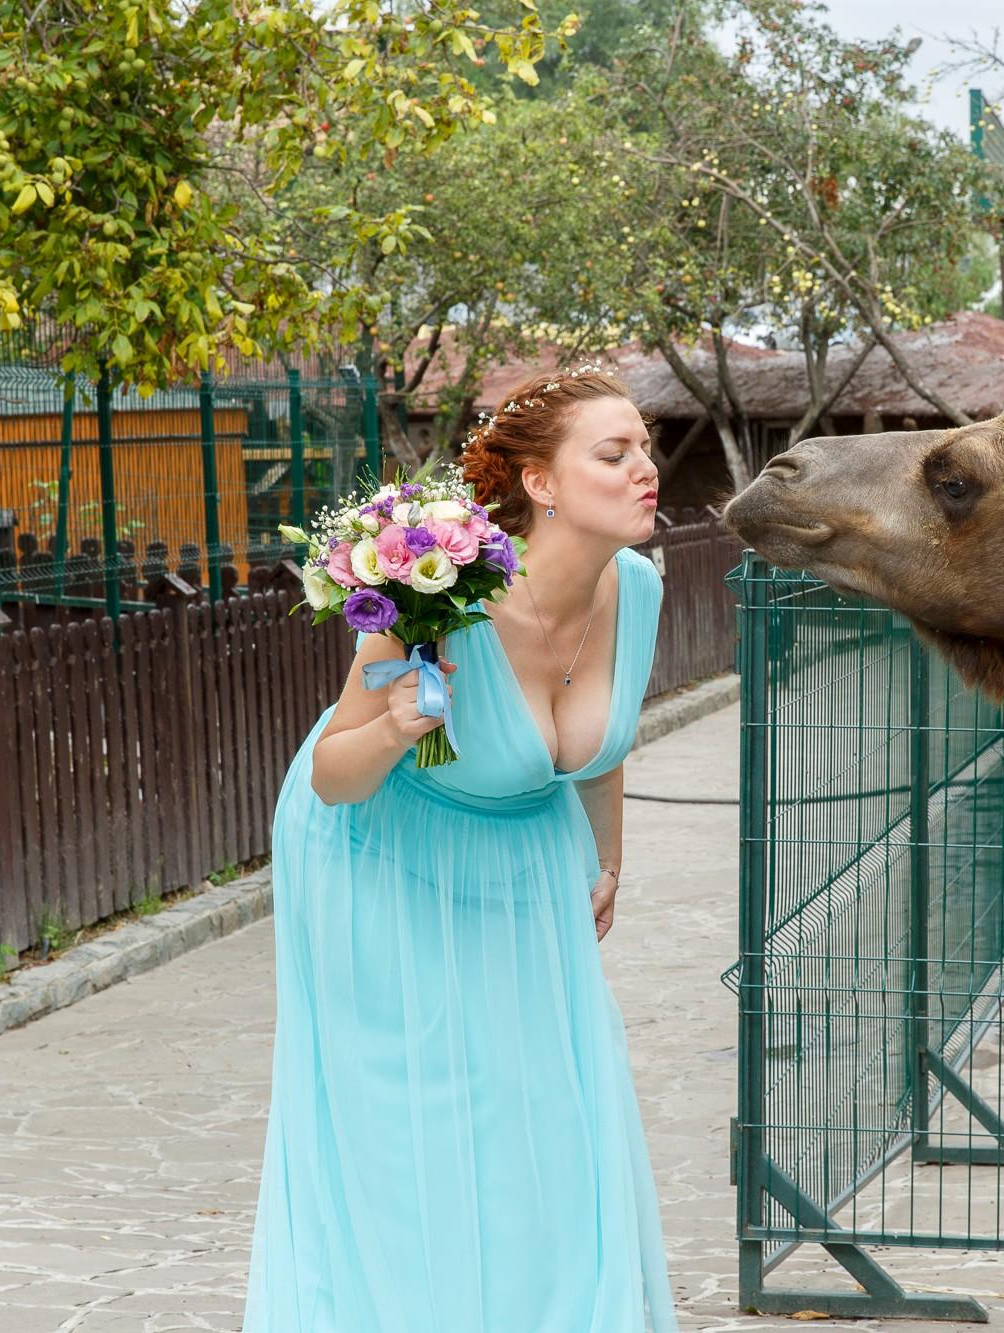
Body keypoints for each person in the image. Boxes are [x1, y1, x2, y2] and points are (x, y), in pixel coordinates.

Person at [244, 366, 677, 1331]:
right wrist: (398, 722)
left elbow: (600, 749)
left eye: (645, 447)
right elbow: (334, 771)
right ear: (542, 485)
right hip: (378, 851)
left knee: (554, 1108)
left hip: (528, 850)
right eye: (615, 453)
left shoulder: (637, 586)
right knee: (425, 1108)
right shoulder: (439, 598)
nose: (646, 468)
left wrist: (608, 860)